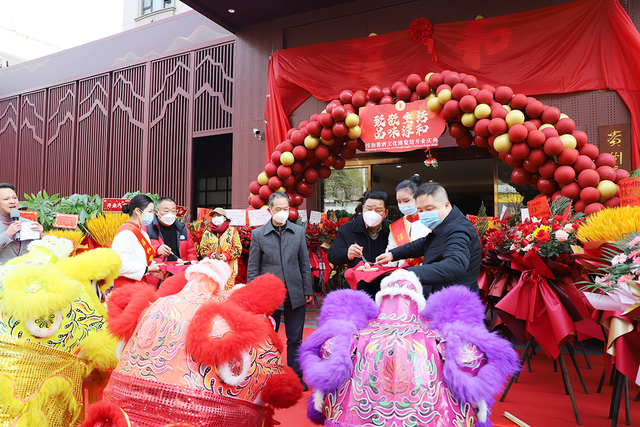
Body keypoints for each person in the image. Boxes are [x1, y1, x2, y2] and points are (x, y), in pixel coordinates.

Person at [247, 192, 313, 391]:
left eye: (286, 209)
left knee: (295, 338)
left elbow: (304, 263)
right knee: (268, 337)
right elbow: (253, 267)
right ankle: (266, 374)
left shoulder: (298, 232)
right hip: (269, 295)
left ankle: (295, 376)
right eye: (279, 209)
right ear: (269, 210)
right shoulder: (258, 234)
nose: (283, 213)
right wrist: (253, 294)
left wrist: (307, 289)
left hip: (295, 292)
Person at [375, 182, 481, 298]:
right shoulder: (445, 224)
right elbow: (425, 243)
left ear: (446, 205)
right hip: (438, 297)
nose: (424, 214)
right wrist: (393, 254)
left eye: (429, 209)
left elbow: (455, 265)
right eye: (420, 211)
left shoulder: (458, 230)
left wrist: (410, 273)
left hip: (453, 303)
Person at [327, 189, 392, 297]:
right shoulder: (347, 229)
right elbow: (332, 254)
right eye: (369, 209)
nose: (372, 213)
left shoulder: (392, 229)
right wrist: (347, 253)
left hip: (386, 289)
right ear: (363, 208)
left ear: (385, 213)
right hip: (357, 290)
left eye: (378, 210)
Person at [111, 194, 160, 288]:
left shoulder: (143, 233)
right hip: (126, 287)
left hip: (141, 285)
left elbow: (144, 260)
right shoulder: (125, 233)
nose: (152, 215)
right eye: (150, 211)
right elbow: (120, 265)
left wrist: (158, 270)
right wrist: (147, 269)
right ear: (137, 211)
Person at [385, 174, 430, 267]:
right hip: (401, 276)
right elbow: (390, 257)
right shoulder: (396, 226)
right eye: (399, 201)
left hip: (426, 273)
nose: (402, 205)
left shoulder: (431, 221)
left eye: (406, 201)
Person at [198, 207, 242, 290]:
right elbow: (202, 250)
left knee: (227, 294)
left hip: (229, 269)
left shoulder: (232, 231)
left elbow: (238, 249)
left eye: (218, 215)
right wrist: (211, 254)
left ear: (224, 218)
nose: (215, 218)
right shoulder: (207, 232)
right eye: (213, 216)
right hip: (212, 269)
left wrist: (227, 255)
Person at [0, 183, 44, 264]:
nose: (12, 202)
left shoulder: (29, 223)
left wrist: (41, 236)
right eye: (6, 199)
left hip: (25, 272)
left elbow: (41, 251)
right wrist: (7, 234)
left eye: (14, 198)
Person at [147, 196, 197, 263]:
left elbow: (191, 253)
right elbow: (141, 252)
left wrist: (190, 266)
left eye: (173, 211)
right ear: (156, 212)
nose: (170, 214)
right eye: (166, 211)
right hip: (158, 270)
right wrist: (157, 250)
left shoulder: (183, 229)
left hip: (179, 269)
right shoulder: (147, 228)